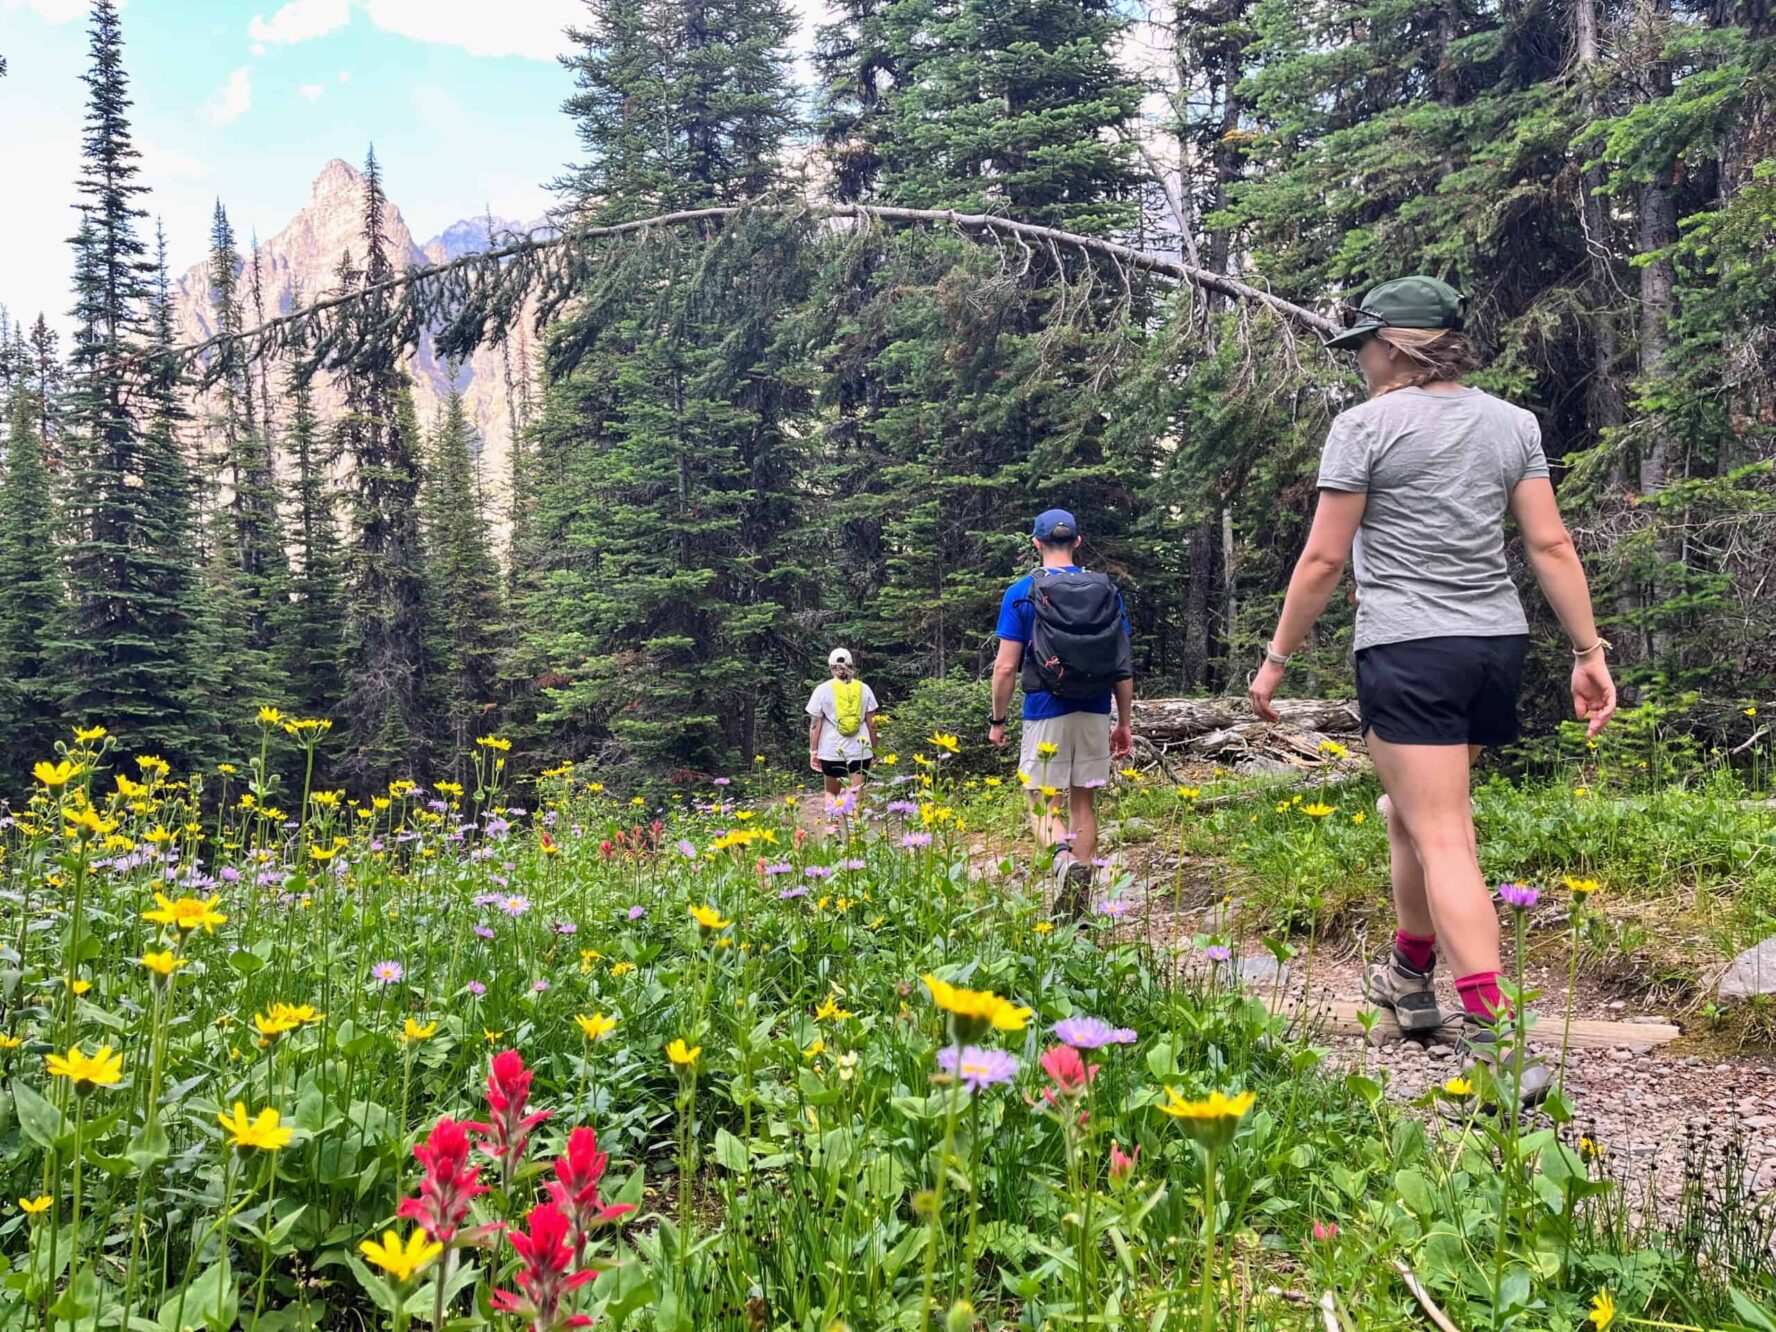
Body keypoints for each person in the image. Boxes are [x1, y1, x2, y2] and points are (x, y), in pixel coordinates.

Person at [1248, 275, 1616, 1105]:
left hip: (1410, 647)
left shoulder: (1366, 427)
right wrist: (1588, 651)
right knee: (1406, 813)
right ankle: (1410, 978)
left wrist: (1275, 659)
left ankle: (1494, 1040)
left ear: (1397, 346)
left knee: (1444, 833)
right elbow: (1549, 544)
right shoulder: (1510, 423)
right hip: (1493, 647)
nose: (1361, 364)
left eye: (1367, 348)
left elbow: (1321, 560)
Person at [989, 509, 1135, 914]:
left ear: (1035, 544)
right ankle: (1082, 899)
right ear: (1077, 542)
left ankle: (1063, 865)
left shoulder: (1022, 591)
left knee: (1041, 803)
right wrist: (1123, 722)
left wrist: (998, 721)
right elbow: (1122, 665)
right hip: (1094, 708)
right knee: (1082, 803)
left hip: (1044, 709)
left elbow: (1004, 667)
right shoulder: (1107, 591)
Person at [807, 647, 879, 831]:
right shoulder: (864, 689)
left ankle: (833, 833)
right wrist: (875, 751)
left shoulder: (822, 690)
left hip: (830, 750)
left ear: (831, 667)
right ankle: (854, 837)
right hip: (860, 750)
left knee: (832, 792)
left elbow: (815, 725)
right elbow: (873, 724)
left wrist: (813, 752)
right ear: (851, 665)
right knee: (854, 794)